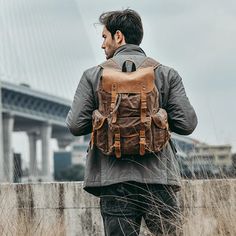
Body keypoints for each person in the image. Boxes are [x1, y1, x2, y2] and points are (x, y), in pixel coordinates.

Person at [66, 9, 197, 236]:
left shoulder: (93, 76)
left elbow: (76, 125)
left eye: (104, 37)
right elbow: (187, 123)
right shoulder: (166, 74)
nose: (102, 44)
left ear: (118, 36)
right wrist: (160, 114)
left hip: (115, 183)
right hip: (159, 179)